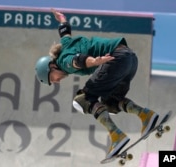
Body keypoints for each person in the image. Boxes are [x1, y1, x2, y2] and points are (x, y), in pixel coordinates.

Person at [35, 9, 159, 159]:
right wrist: (61, 18)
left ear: (52, 67)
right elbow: (65, 31)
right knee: (111, 102)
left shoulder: (63, 62)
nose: (55, 82)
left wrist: (94, 61)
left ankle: (116, 136)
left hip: (115, 59)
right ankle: (146, 115)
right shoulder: (66, 45)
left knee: (81, 100)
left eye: (51, 78)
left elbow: (77, 60)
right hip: (130, 58)